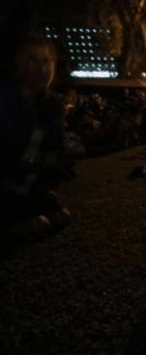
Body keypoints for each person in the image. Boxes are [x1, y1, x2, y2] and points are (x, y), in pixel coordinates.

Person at [0, 36, 74, 241]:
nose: (40, 69)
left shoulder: (51, 106)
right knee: (39, 223)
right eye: (31, 61)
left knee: (60, 216)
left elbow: (60, 156)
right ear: (17, 64)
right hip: (6, 186)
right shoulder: (5, 100)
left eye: (46, 62)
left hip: (28, 190)